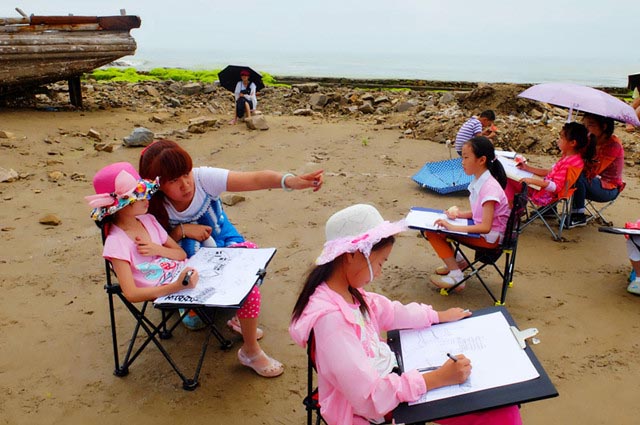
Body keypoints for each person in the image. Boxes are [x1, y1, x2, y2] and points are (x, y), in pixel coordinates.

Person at [289, 203, 522, 425]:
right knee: (498, 411)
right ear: (352, 255)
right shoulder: (332, 321)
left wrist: (437, 316)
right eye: (380, 263)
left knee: (502, 406)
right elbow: (370, 399)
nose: (379, 273)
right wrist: (437, 378)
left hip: (391, 382)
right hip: (375, 408)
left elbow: (389, 311)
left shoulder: (344, 291)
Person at [139, 139, 324, 376]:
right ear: (157, 185)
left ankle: (250, 350)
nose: (185, 184)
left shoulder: (203, 179)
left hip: (222, 240)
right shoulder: (148, 204)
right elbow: (153, 248)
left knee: (250, 273)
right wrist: (182, 231)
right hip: (185, 256)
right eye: (173, 180)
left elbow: (254, 179)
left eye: (186, 174)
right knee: (198, 321)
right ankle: (206, 310)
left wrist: (291, 181)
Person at [84, 162, 199, 303]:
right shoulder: (116, 242)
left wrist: (157, 249)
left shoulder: (149, 220)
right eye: (140, 196)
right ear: (122, 205)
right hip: (170, 290)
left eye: (146, 193)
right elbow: (131, 294)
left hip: (186, 274)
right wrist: (176, 287)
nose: (147, 199)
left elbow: (181, 255)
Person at [425, 136, 510, 290]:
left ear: (481, 160)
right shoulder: (481, 180)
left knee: (433, 231)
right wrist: (459, 215)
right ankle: (458, 262)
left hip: (488, 238)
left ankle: (456, 276)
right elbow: (480, 212)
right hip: (485, 232)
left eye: (466, 157)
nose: (462, 162)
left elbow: (485, 226)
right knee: (437, 227)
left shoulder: (489, 187)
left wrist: (453, 227)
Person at [504, 122, 594, 206]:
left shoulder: (571, 163)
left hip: (545, 195)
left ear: (572, 143)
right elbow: (548, 172)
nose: (558, 140)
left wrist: (532, 181)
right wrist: (527, 168)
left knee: (507, 180)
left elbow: (556, 187)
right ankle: (513, 208)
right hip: (542, 189)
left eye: (561, 138)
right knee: (509, 179)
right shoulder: (568, 157)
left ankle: (510, 210)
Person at [569, 113, 625, 228]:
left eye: (590, 125)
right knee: (561, 171)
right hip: (590, 181)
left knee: (576, 174)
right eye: (584, 125)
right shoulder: (589, 139)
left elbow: (594, 170)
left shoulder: (613, 145)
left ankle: (578, 215)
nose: (586, 129)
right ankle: (549, 208)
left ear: (603, 127)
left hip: (608, 188)